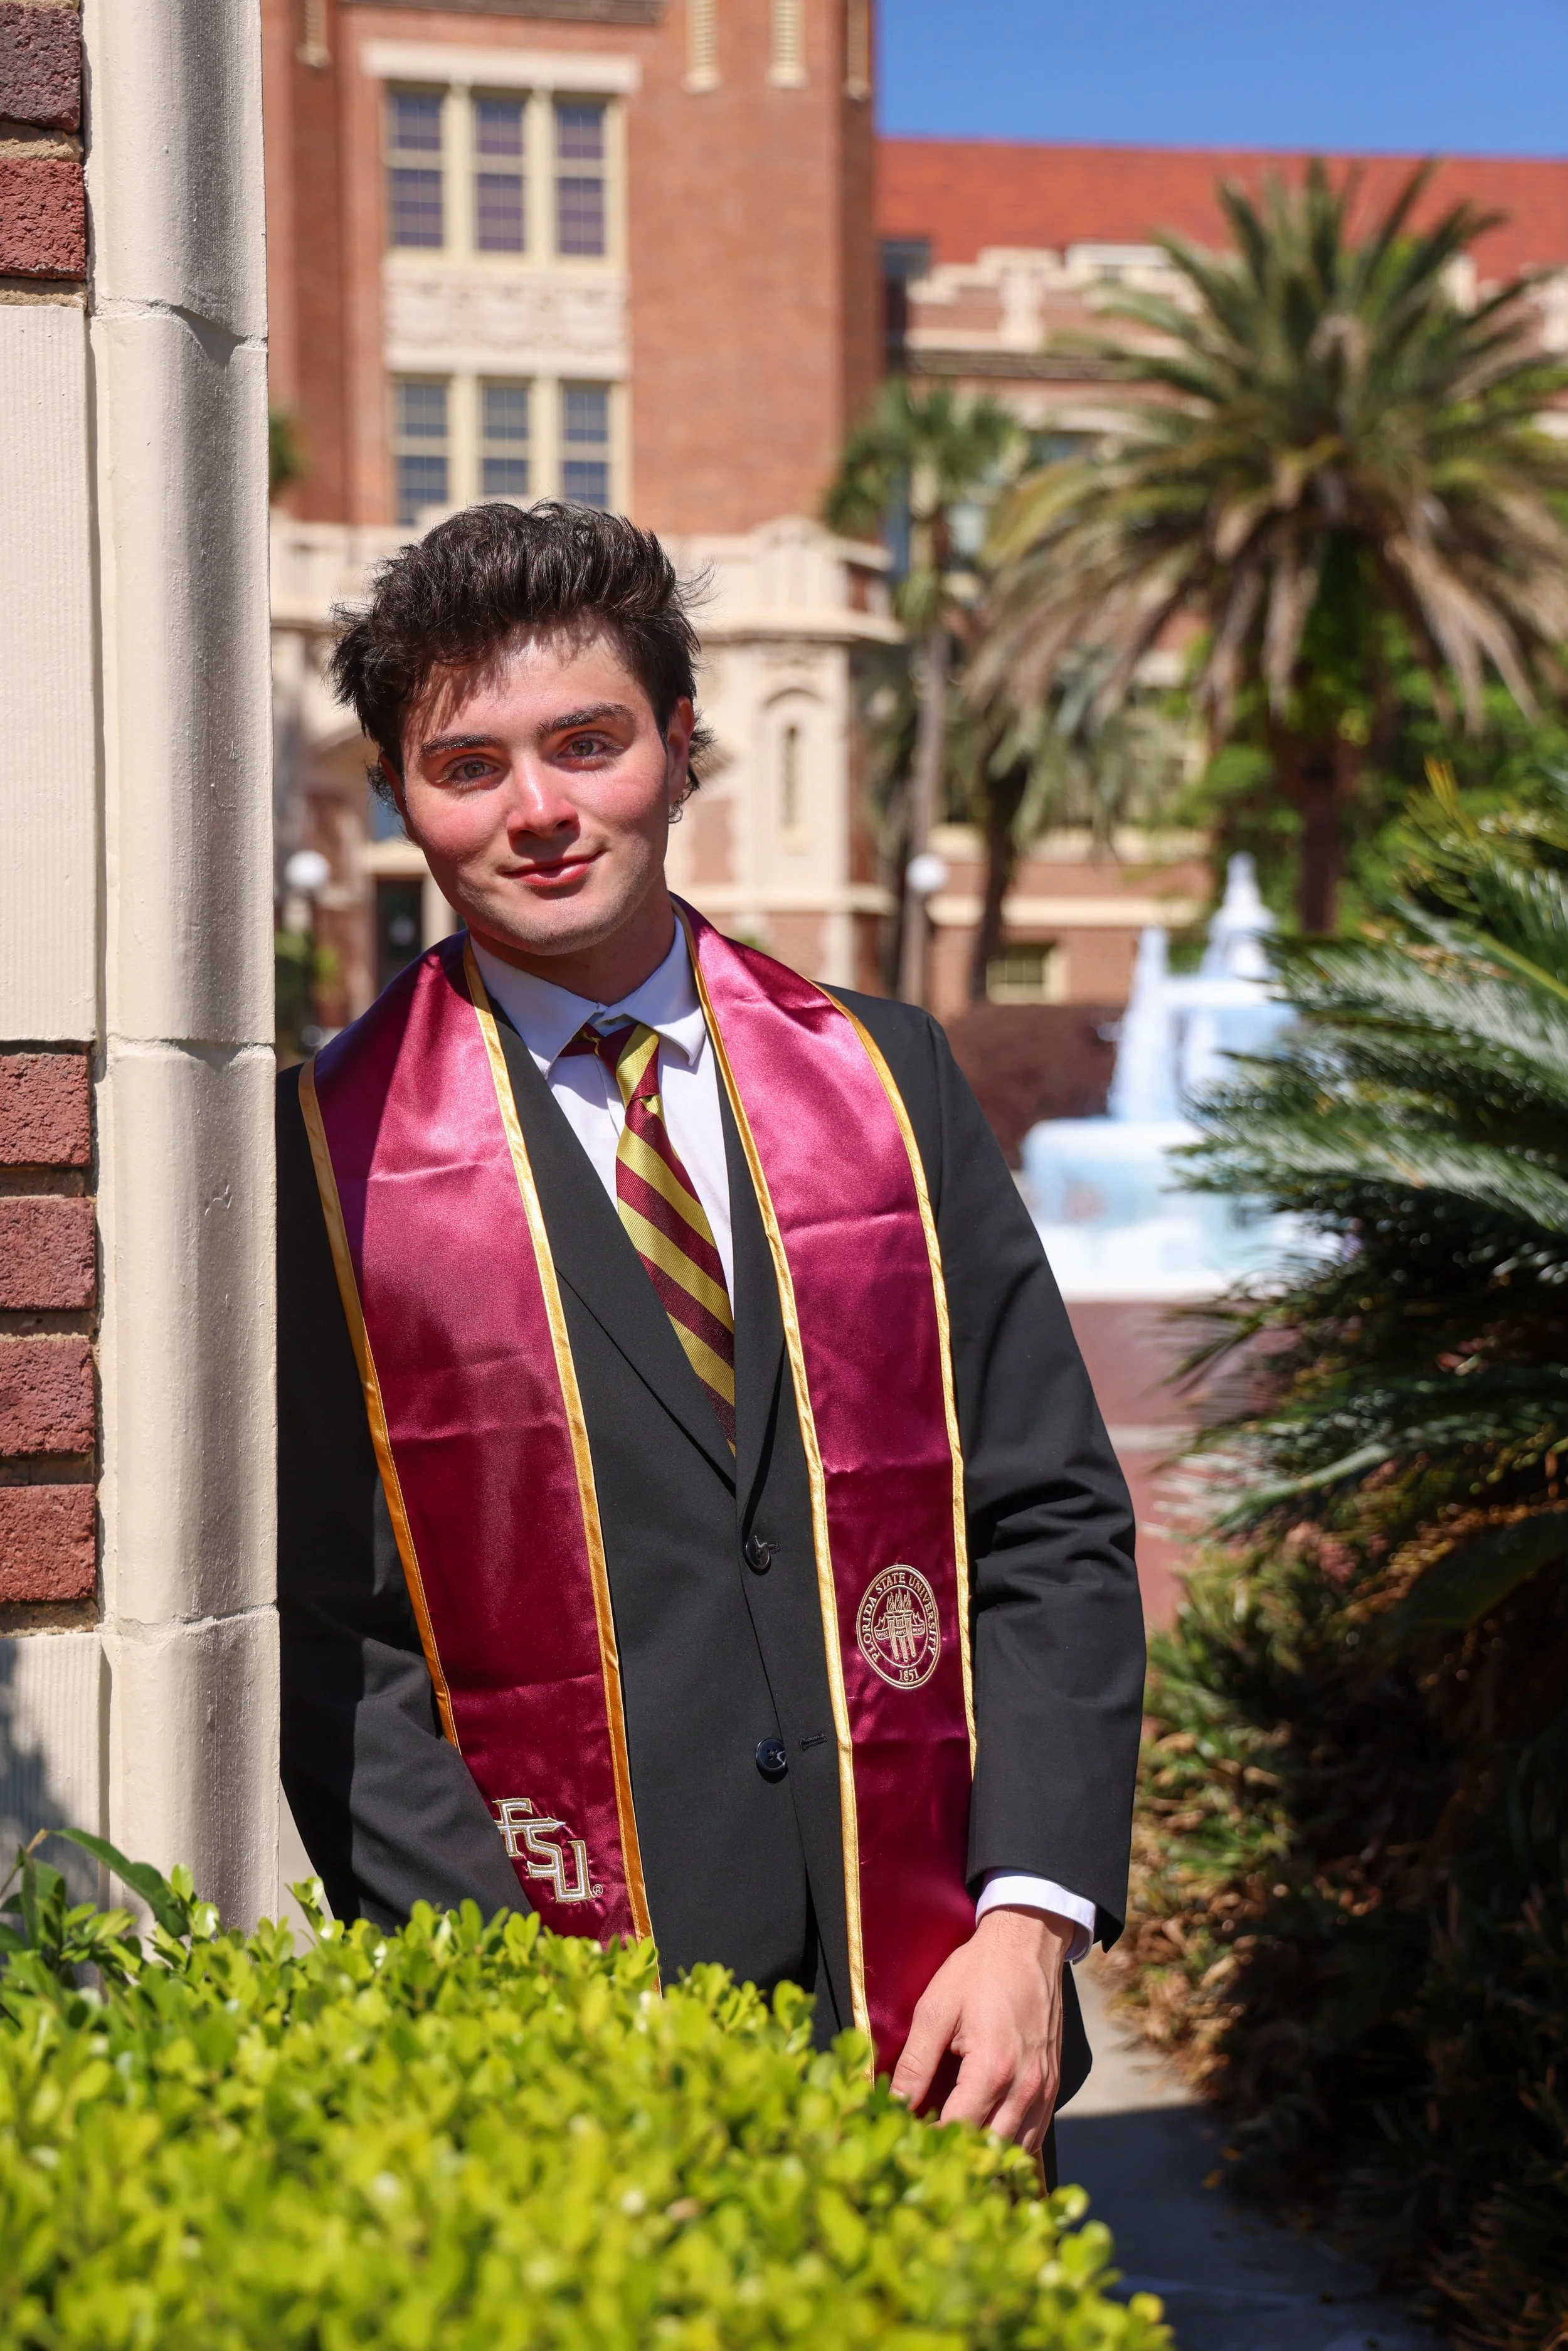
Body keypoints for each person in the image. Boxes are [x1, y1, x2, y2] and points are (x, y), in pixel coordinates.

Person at [277, 501, 1145, 2163]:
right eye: (469, 765)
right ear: (400, 799)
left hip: (947, 2027)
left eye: (587, 742)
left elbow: (1046, 1515)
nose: (538, 811)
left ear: (681, 746)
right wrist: (531, 2030)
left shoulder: (889, 1085)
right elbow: (339, 1643)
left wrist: (1029, 1921)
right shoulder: (331, 1162)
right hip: (578, 2057)